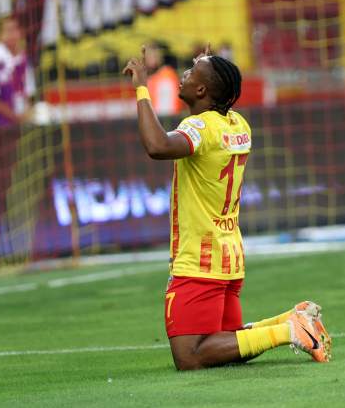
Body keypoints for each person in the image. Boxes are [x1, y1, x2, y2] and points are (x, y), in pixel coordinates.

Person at [122, 45, 332, 370]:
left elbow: (157, 145)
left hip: (199, 259)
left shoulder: (200, 128)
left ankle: (289, 331)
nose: (184, 74)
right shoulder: (238, 124)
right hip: (229, 257)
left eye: (192, 72)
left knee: (190, 356)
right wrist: (209, 68)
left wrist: (141, 88)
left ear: (202, 90)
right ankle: (291, 320)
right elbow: (210, 116)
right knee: (224, 344)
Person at [0, 15, 36, 130]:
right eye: (8, 30)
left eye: (15, 29)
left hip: (21, 125)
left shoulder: (24, 59)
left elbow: (28, 95)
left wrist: (26, 115)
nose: (12, 34)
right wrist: (15, 117)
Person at [144, 42, 182, 117]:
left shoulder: (167, 75)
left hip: (166, 117)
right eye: (148, 56)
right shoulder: (147, 78)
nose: (151, 59)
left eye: (153, 56)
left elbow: (169, 105)